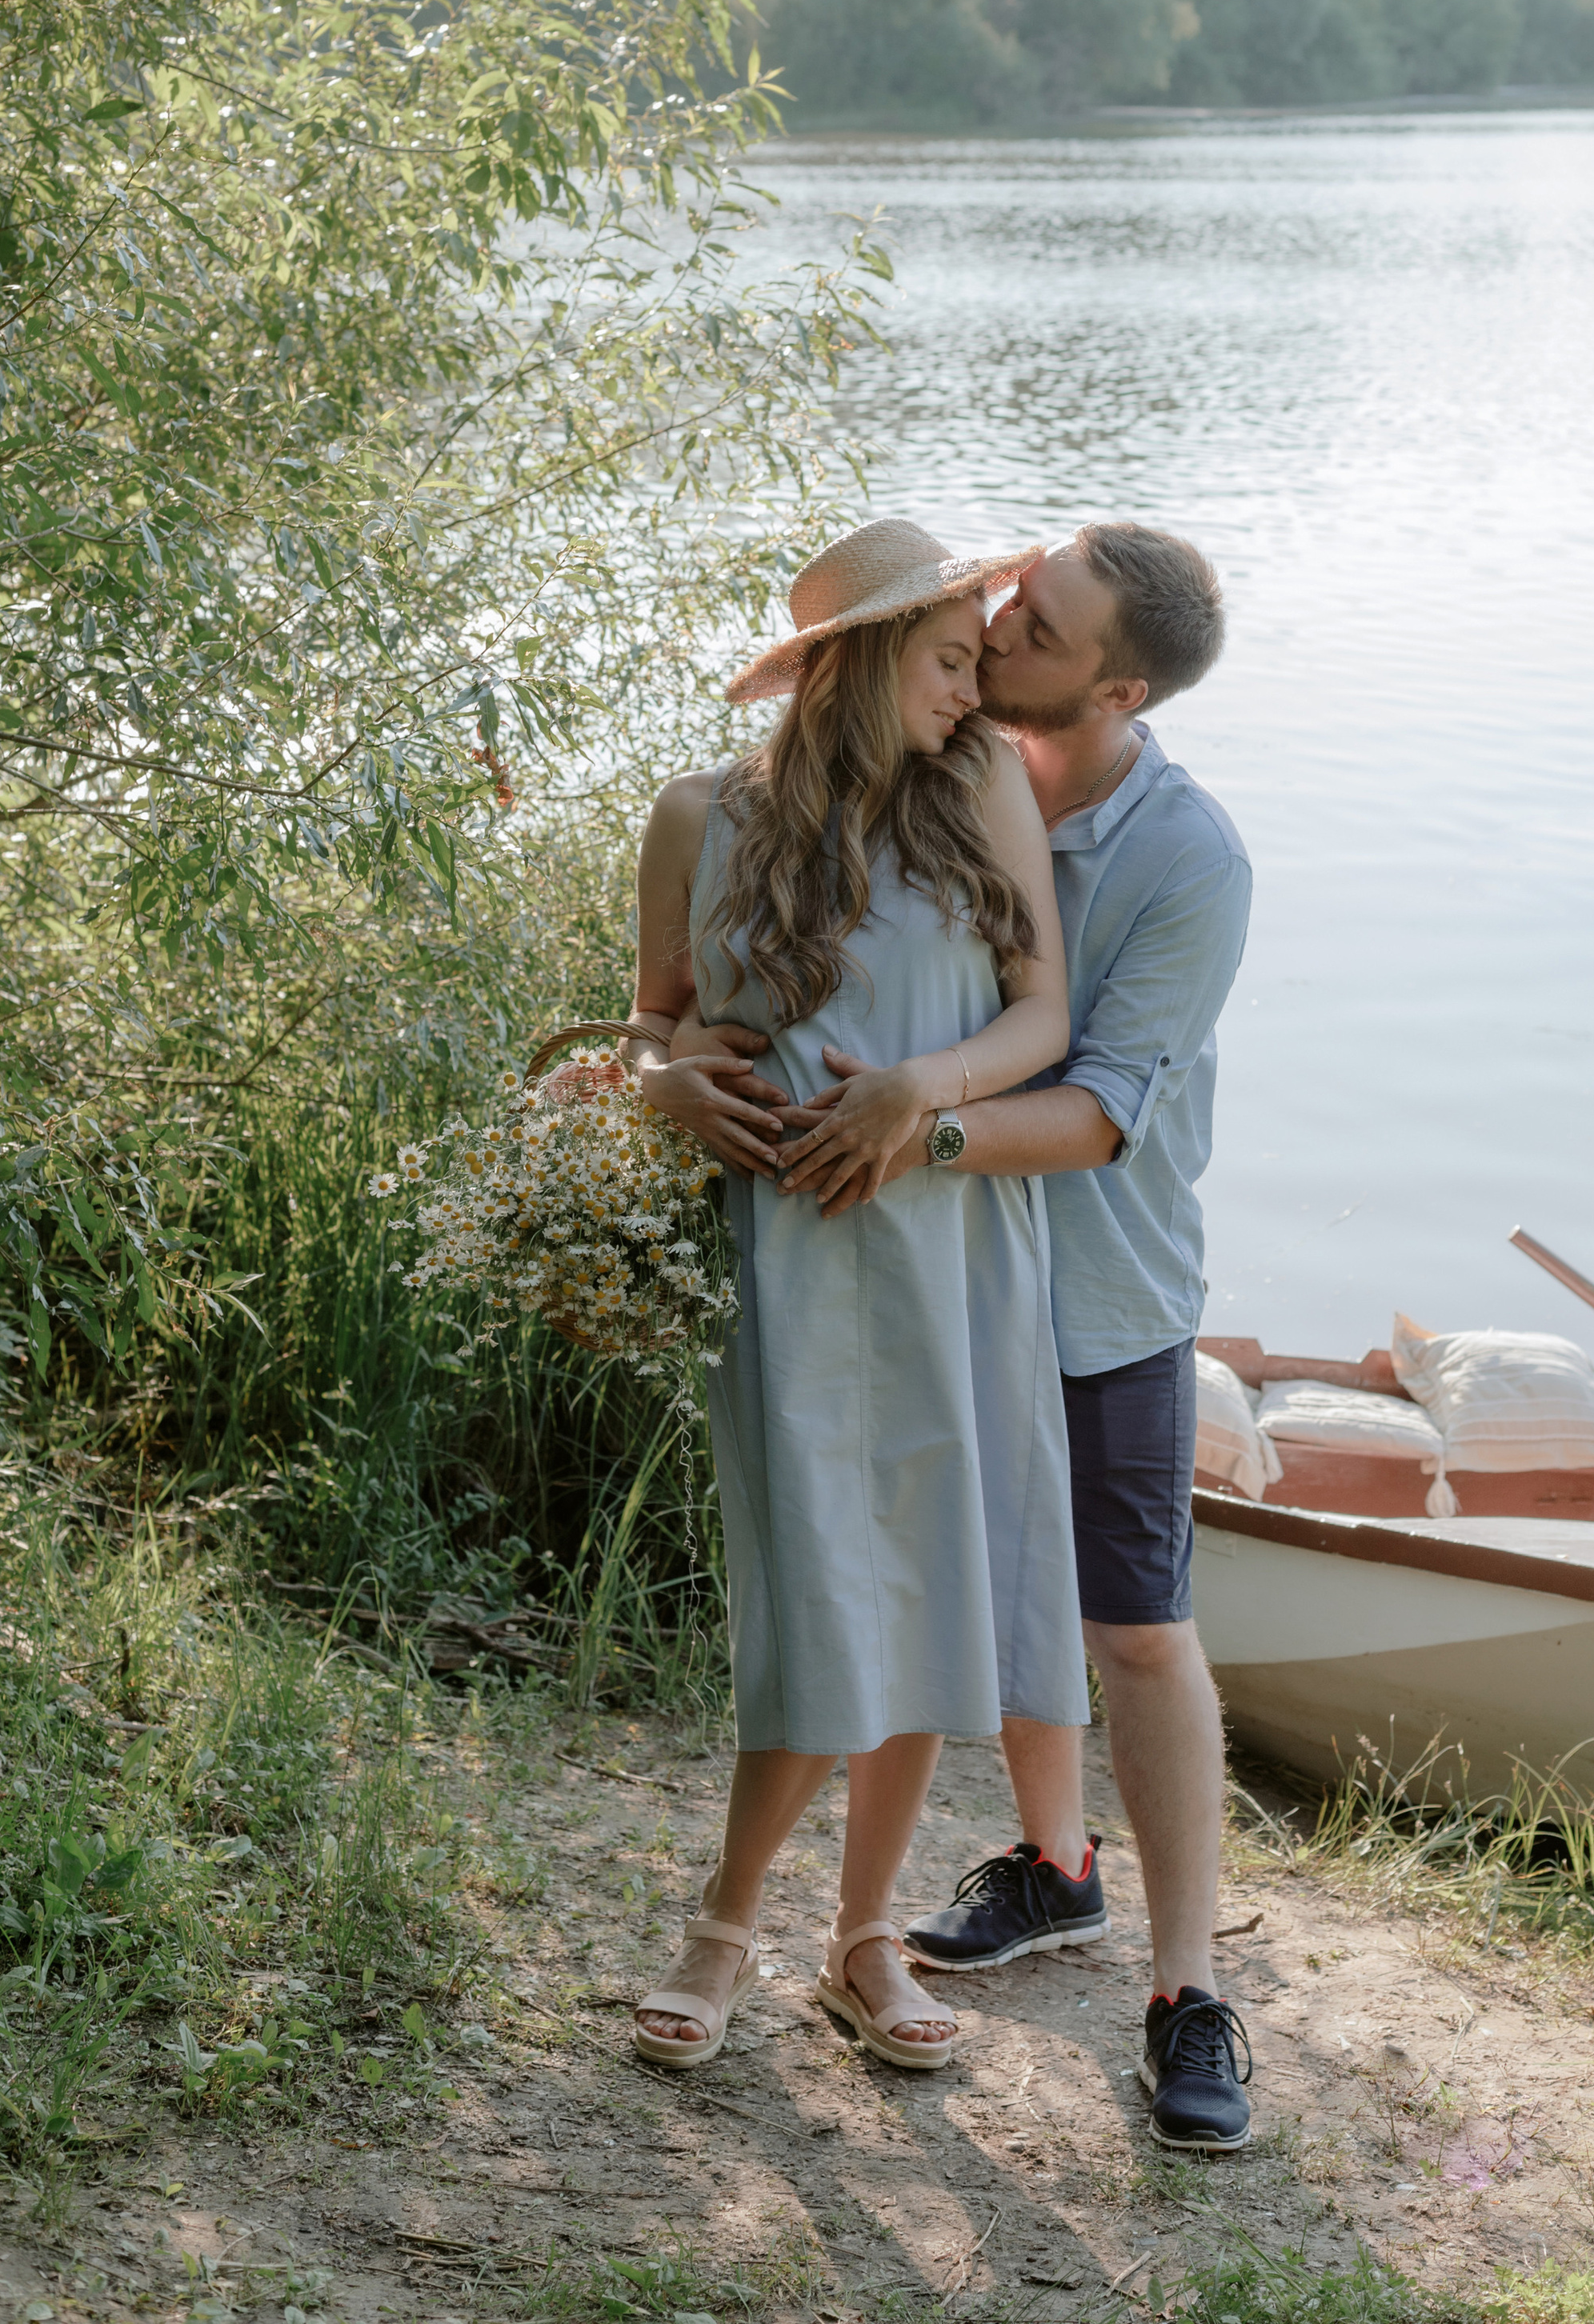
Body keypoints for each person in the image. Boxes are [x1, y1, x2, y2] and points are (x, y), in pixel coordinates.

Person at [772, 523, 1253, 2151]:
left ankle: (1188, 1993)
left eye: (1033, 628)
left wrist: (926, 1128)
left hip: (1094, 1282)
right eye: (1002, 600)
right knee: (972, 1592)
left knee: (1129, 1624)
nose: (992, 627)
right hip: (915, 1270)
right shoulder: (931, 743)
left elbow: (1107, 1111)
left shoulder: (1189, 859)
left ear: (1117, 685)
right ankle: (1053, 1870)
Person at [621, 518, 1090, 2076]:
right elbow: (649, 1038)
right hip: (788, 1262)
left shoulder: (977, 795)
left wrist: (916, 1093)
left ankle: (860, 1941)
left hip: (953, 1242)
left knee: (934, 1597)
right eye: (952, 662)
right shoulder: (696, 819)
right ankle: (724, 1923)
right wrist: (664, 1091)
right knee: (820, 1600)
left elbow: (1040, 1018)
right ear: (860, 660)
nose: (975, 695)